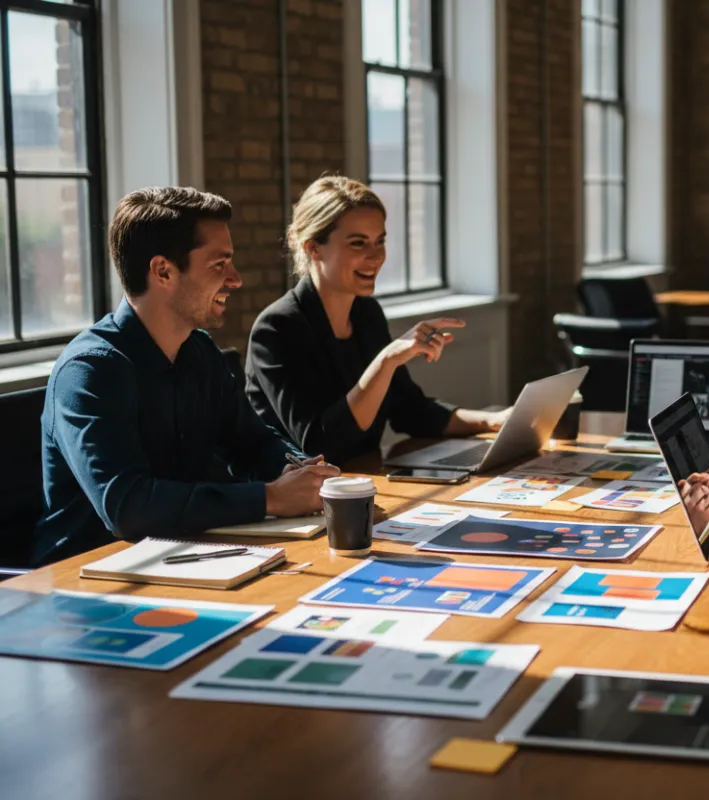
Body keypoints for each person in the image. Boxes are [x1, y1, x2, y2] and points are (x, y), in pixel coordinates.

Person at [35, 187, 339, 565]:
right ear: (163, 271)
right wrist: (272, 497)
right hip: (86, 583)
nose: (236, 279)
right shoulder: (89, 372)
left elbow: (252, 442)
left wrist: (302, 470)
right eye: (219, 265)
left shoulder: (200, 352)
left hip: (185, 558)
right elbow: (127, 508)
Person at [245, 176, 509, 466]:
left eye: (379, 241)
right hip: (300, 500)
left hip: (363, 480)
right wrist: (386, 361)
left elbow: (412, 411)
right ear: (313, 248)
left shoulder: (366, 313)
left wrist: (496, 420)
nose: (376, 256)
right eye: (358, 243)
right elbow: (320, 445)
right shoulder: (276, 328)